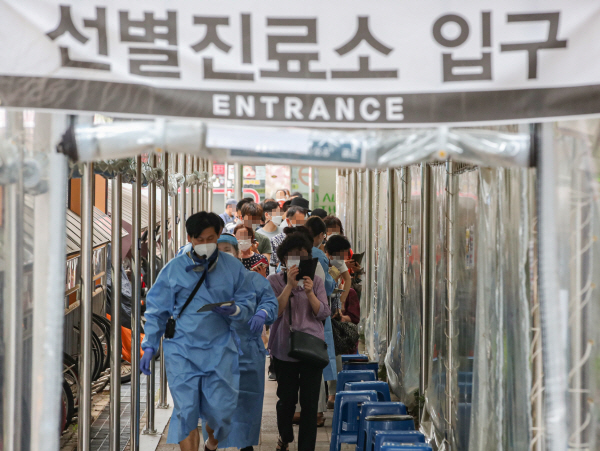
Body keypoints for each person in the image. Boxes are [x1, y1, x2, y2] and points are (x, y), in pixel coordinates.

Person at [140, 212, 255, 451]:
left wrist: (236, 310)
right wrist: (149, 345)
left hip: (220, 350)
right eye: (199, 239)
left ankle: (212, 442)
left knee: (221, 413)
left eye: (210, 238)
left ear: (219, 234)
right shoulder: (174, 269)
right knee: (186, 411)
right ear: (189, 238)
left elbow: (248, 299)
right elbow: (156, 309)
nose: (205, 244)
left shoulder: (232, 267)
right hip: (182, 350)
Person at [206, 233, 278, 451]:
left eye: (227, 249)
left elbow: (269, 301)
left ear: (237, 253)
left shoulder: (254, 280)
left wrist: (263, 313)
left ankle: (245, 445)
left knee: (247, 403)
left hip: (248, 352)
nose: (223, 254)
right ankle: (212, 441)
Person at [268, 232, 331, 451]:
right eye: (293, 256)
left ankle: (306, 447)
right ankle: (285, 436)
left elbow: (323, 313)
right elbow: (274, 313)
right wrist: (289, 286)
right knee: (286, 401)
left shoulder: (317, 282)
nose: (298, 261)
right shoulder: (273, 281)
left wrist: (310, 293)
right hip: (284, 349)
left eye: (303, 257)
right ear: (284, 259)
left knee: (310, 404)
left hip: (311, 349)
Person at [323, 234, 354, 408]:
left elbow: (347, 280)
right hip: (319, 308)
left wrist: (341, 303)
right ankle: (327, 393)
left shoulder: (338, 262)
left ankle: (332, 394)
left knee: (334, 352)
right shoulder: (321, 260)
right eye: (341, 253)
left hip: (332, 309)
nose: (343, 257)